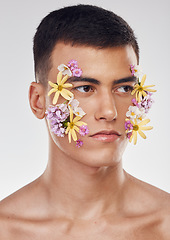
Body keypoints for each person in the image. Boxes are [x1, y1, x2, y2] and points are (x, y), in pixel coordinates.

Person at [0, 4, 169, 239]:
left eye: (124, 88)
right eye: (85, 88)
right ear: (39, 101)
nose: (109, 112)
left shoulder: (164, 223)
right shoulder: (6, 230)